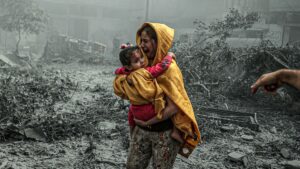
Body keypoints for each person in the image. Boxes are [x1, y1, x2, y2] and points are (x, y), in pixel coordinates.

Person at [114, 22, 201, 169]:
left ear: (157, 42)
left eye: (146, 41)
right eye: (140, 41)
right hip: (141, 131)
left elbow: (174, 107)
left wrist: (147, 122)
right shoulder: (142, 65)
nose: (141, 45)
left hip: (165, 134)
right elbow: (129, 92)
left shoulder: (169, 69)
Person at [114, 44, 184, 144]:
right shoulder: (143, 72)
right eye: (137, 61)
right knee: (172, 102)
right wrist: (169, 56)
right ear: (129, 66)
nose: (142, 61)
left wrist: (128, 47)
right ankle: (176, 131)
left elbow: (119, 70)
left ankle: (132, 132)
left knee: (131, 111)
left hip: (136, 112)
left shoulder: (125, 73)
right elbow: (160, 67)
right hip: (150, 113)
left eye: (142, 57)